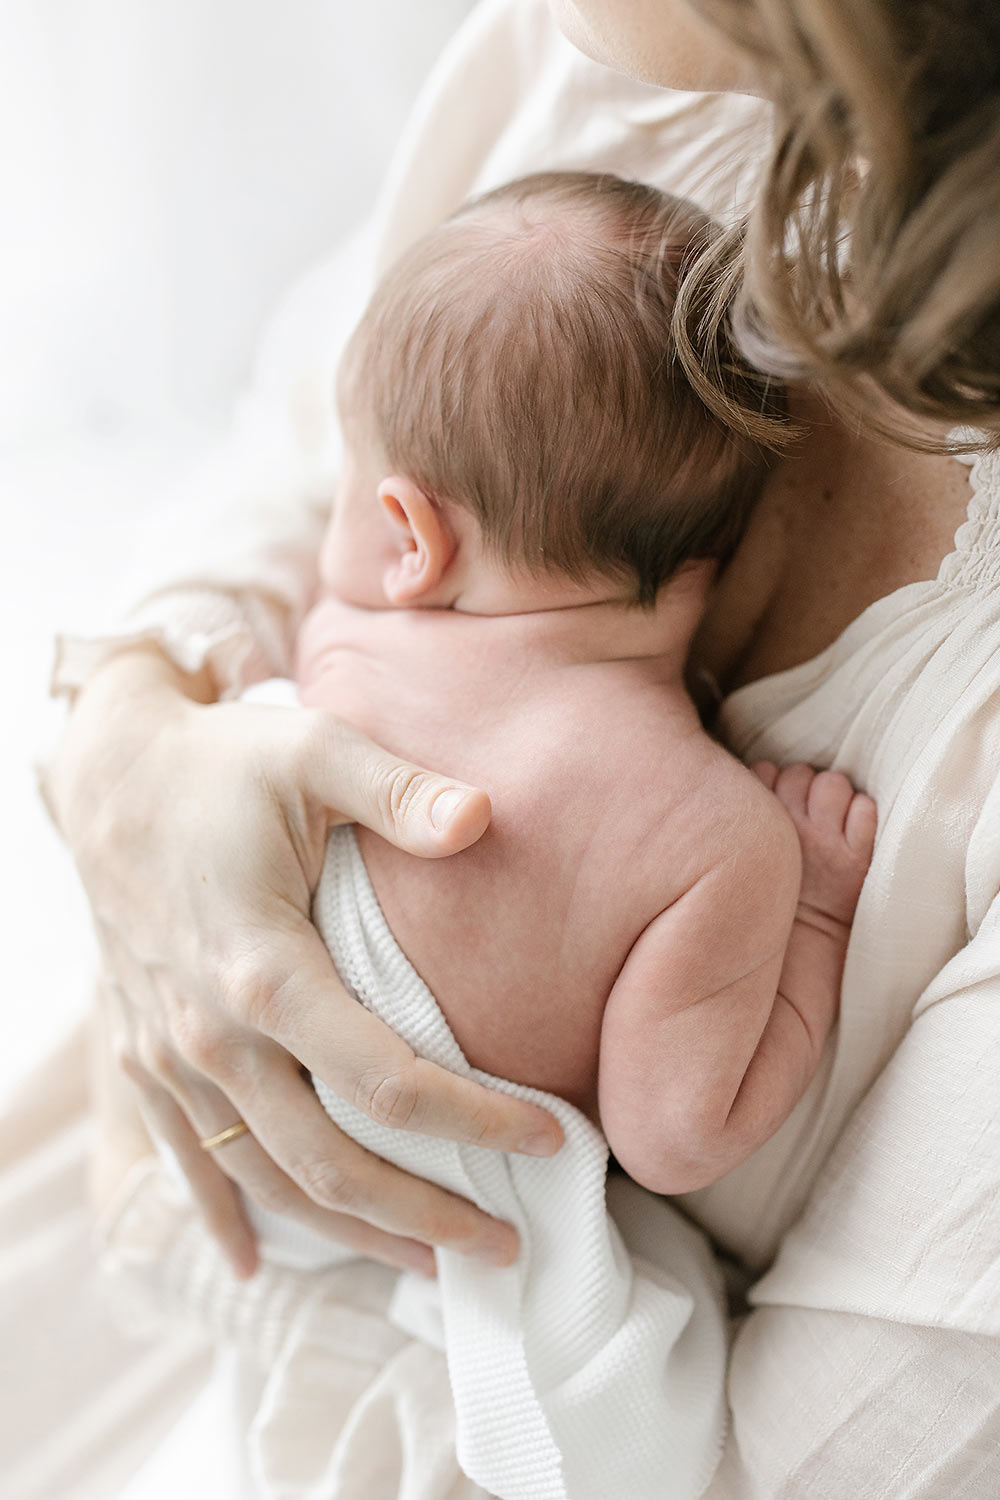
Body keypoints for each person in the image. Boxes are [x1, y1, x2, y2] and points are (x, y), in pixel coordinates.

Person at [35, 0, 1000, 1495]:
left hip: (278, 1266)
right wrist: (124, 747)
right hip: (245, 1130)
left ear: (411, 539)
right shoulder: (713, 835)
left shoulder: (355, 637)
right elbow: (677, 1134)